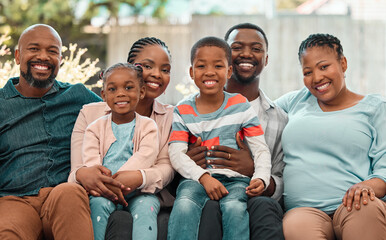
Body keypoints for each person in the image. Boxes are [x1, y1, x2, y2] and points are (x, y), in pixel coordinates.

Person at [275, 33, 386, 240]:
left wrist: (367, 186)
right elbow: (255, 115)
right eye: (308, 72)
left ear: (343, 63)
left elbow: (384, 170)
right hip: (304, 210)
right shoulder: (294, 101)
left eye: (324, 67)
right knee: (296, 226)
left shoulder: (375, 108)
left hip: (355, 205)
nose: (317, 78)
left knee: (367, 210)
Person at [0, 24, 101, 239]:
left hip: (61, 195)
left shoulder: (78, 96)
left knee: (71, 192)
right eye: (34, 49)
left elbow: (124, 115)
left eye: (52, 51)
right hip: (14, 199)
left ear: (61, 60)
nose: (43, 57)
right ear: (18, 56)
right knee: (7, 231)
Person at [69, 37, 175, 239]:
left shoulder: (170, 117)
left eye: (165, 69)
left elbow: (166, 166)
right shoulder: (90, 116)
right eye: (147, 66)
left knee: (147, 209)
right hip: (99, 191)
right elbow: (78, 169)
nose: (156, 74)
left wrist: (138, 177)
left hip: (143, 193)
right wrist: (96, 177)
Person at [188, 23, 287, 240]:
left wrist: (255, 171)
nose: (246, 54)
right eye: (237, 47)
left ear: (266, 59)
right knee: (209, 207)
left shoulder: (279, 118)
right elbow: (175, 159)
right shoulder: (190, 110)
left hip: (255, 198)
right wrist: (187, 162)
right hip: (207, 191)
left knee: (263, 207)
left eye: (257, 48)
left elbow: (281, 179)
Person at [167, 36, 272, 240]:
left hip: (235, 181)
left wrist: (261, 177)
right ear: (191, 72)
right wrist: (204, 177)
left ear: (229, 71)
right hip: (196, 178)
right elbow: (176, 153)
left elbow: (260, 148)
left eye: (218, 65)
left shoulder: (240, 105)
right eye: (201, 66)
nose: (209, 72)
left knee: (234, 208)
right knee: (185, 204)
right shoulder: (182, 110)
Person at [82, 63, 161, 240]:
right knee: (96, 206)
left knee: (147, 208)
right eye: (112, 89)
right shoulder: (94, 128)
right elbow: (91, 162)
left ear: (141, 92)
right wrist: (105, 185)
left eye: (128, 87)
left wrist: (117, 182)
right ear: (103, 95)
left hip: (139, 192)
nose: (120, 93)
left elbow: (145, 156)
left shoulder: (149, 126)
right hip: (104, 191)